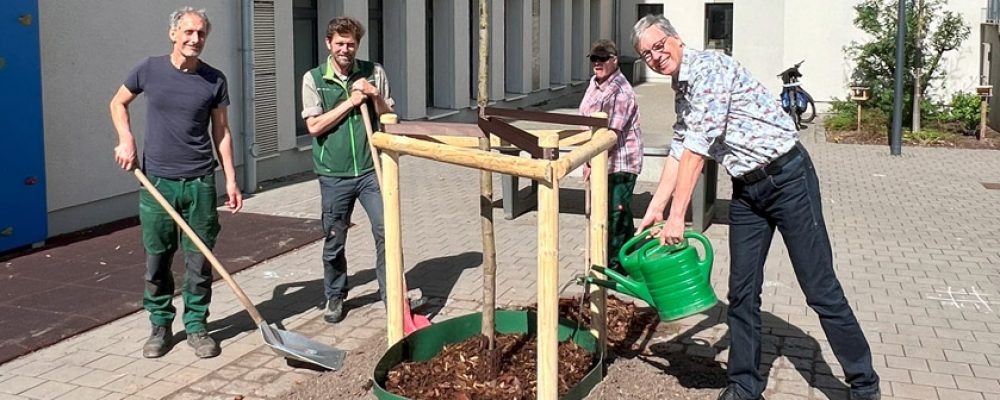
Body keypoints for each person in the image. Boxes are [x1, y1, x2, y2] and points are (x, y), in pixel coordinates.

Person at [630, 15, 880, 400]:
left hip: (789, 179)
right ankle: (745, 385)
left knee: (820, 289)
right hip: (748, 191)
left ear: (676, 39)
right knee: (742, 291)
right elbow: (679, 146)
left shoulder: (710, 68)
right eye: (647, 54)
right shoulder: (683, 85)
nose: (656, 56)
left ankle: (864, 385)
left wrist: (677, 216)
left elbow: (698, 149)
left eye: (659, 46)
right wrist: (656, 208)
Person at [109, 7, 242, 359]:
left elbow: (222, 131)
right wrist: (126, 139)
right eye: (188, 32)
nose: (194, 39)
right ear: (173, 34)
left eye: (200, 34)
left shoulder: (214, 79)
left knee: (199, 262)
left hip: (200, 183)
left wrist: (230, 178)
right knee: (157, 261)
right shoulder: (149, 70)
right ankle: (160, 325)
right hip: (156, 184)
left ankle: (197, 326)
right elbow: (117, 103)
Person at [301, 16, 394, 323]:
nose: (345, 49)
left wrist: (373, 94)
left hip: (371, 170)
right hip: (333, 174)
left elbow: (389, 116)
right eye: (339, 43)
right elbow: (314, 126)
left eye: (351, 43)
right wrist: (351, 103)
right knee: (334, 238)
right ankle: (335, 296)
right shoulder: (313, 78)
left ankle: (391, 294)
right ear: (329, 44)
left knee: (386, 231)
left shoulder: (374, 72)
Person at [578, 39, 643, 272]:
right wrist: (589, 161)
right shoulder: (595, 83)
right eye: (594, 58)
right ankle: (628, 259)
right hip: (598, 158)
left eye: (603, 58)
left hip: (620, 161)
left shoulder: (620, 91)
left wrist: (589, 160)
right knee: (613, 211)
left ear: (614, 61)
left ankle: (615, 266)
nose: (597, 63)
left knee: (616, 213)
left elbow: (610, 136)